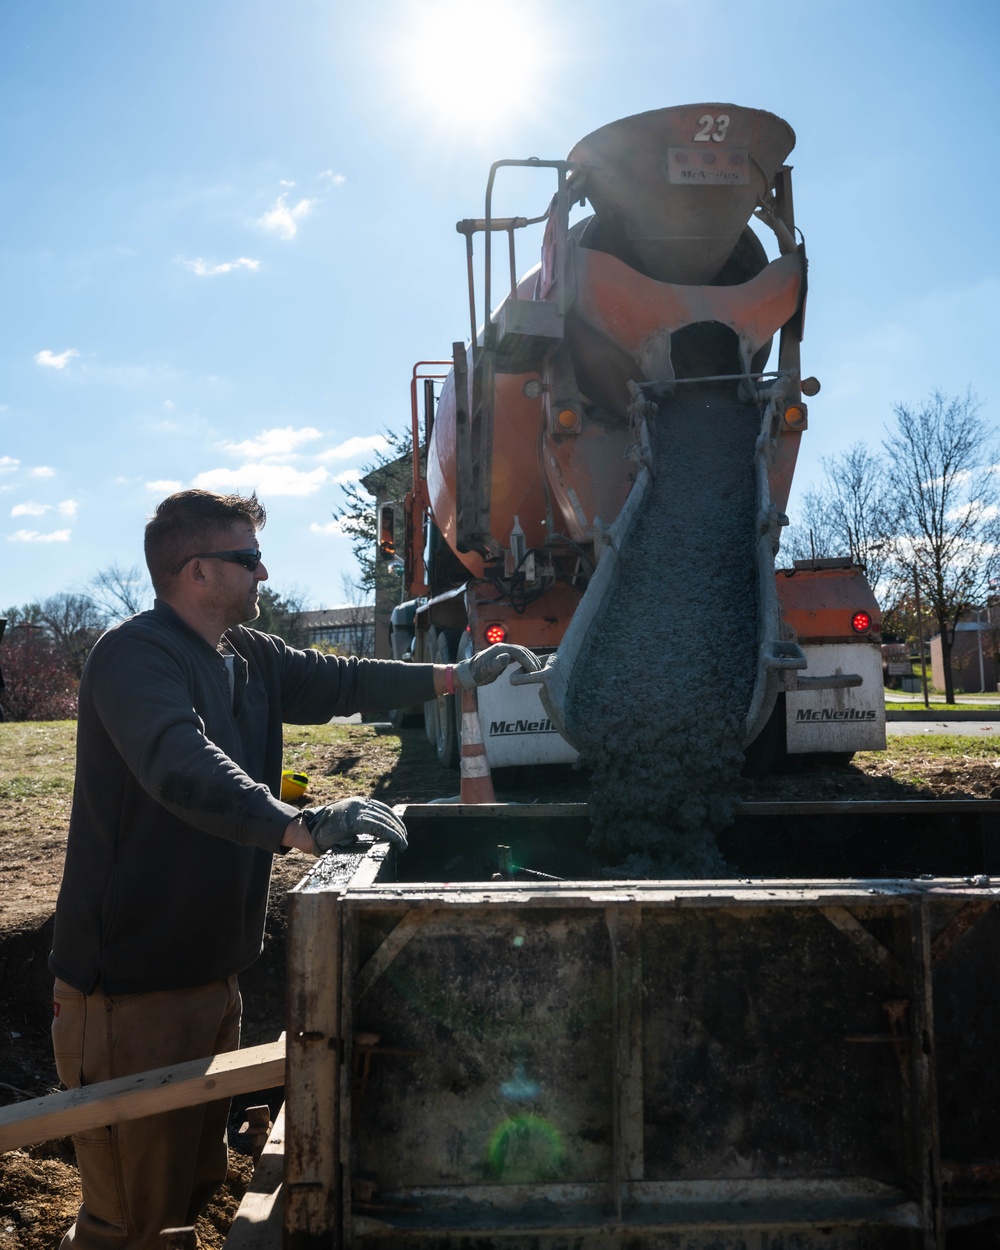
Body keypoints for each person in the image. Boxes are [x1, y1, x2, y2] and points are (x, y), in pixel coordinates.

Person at [49, 489, 539, 1250]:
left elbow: (346, 682)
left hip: (214, 976)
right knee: (131, 1218)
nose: (265, 573)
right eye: (248, 560)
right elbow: (181, 766)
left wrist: (459, 676)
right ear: (197, 570)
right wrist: (300, 825)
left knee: (192, 1185)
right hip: (127, 993)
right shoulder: (134, 656)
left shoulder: (248, 655)